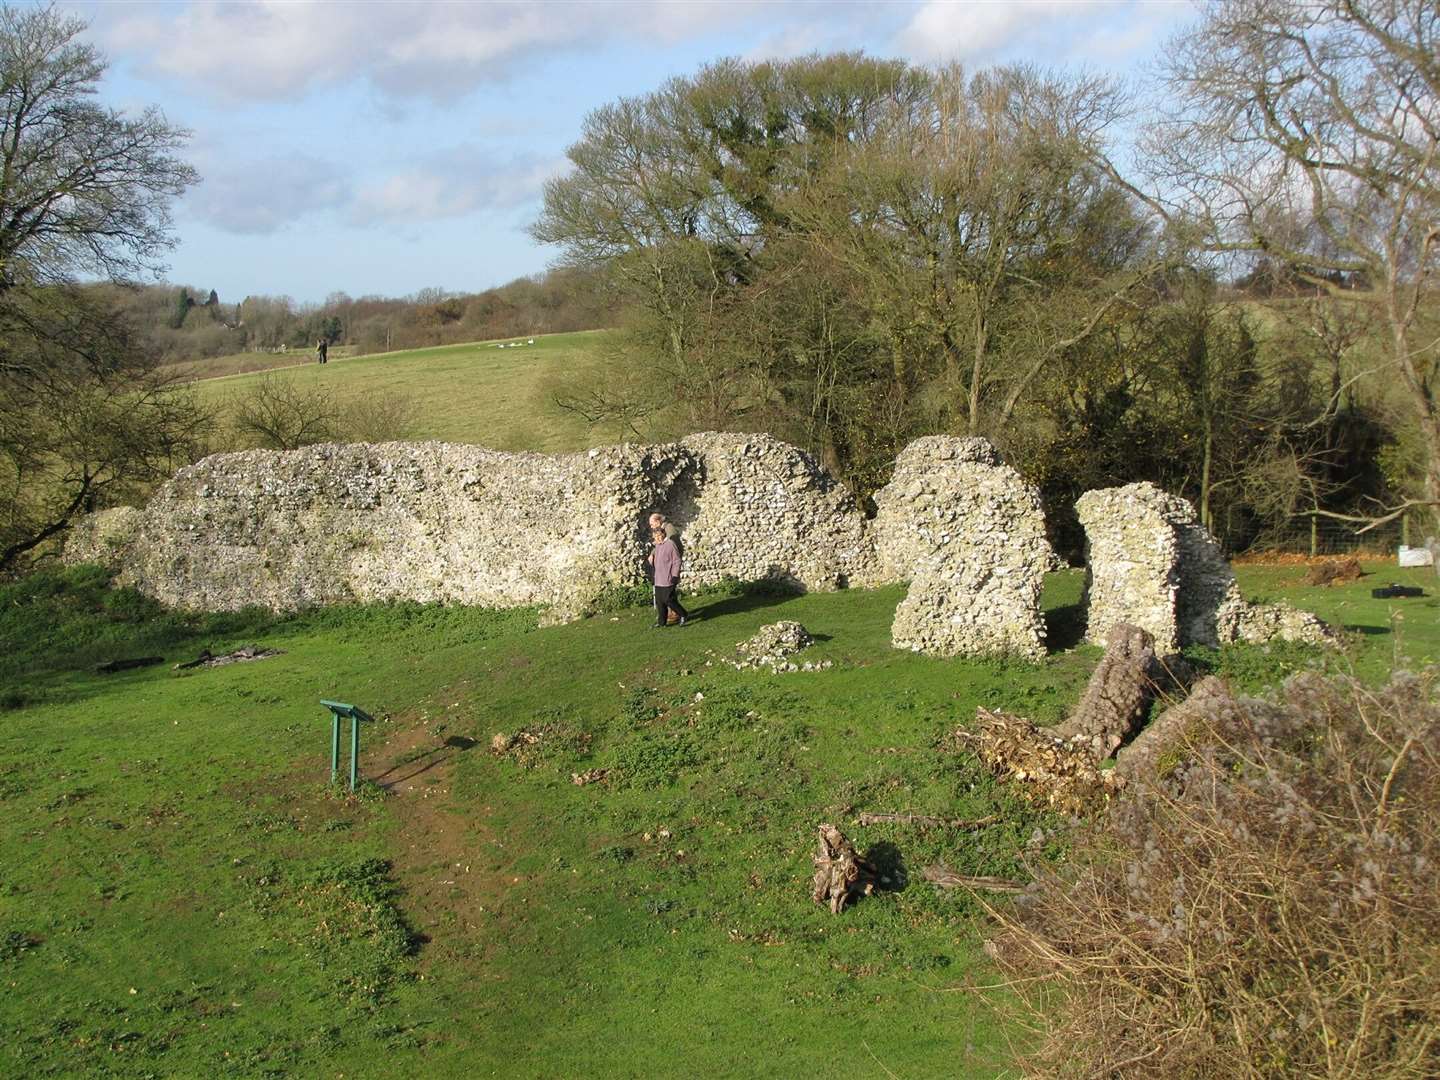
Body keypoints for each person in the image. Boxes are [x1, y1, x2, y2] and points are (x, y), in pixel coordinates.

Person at [650, 527, 688, 628]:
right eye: (655, 536)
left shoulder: (670, 544)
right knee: (660, 601)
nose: (657, 538)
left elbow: (677, 560)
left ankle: (683, 614)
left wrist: (675, 575)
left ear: (663, 534)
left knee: (669, 599)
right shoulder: (657, 546)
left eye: (659, 536)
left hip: (668, 577)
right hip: (659, 578)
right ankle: (662, 622)